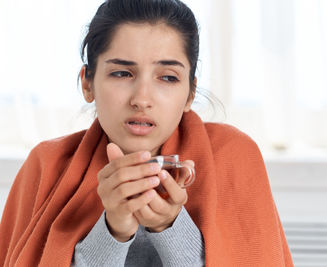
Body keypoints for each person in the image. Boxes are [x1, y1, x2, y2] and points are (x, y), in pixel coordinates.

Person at [0, 0, 293, 266]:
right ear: (87, 83)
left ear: (190, 93)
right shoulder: (47, 166)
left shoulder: (233, 156)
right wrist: (113, 230)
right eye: (121, 73)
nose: (142, 98)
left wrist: (170, 226)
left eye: (167, 77)